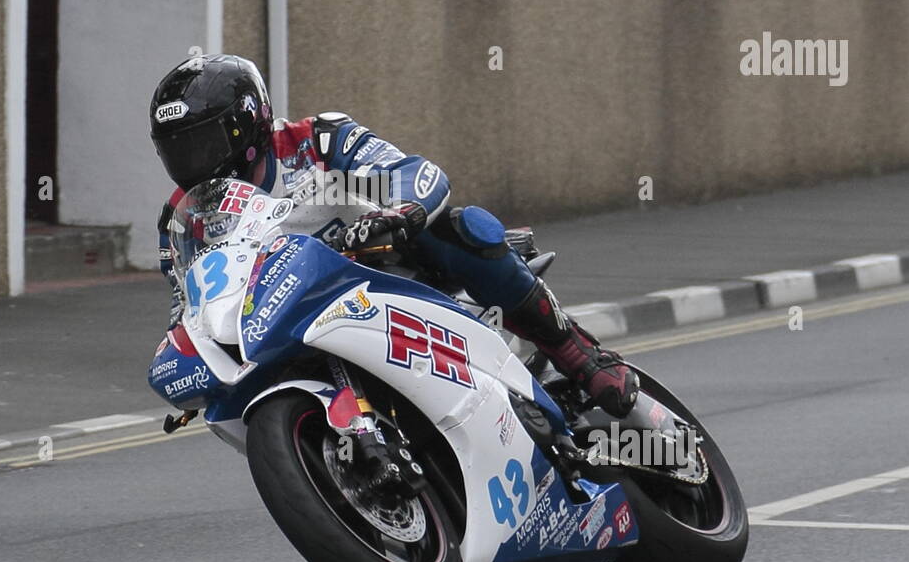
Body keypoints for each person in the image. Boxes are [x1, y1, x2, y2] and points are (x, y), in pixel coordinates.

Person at [149, 54, 638, 418]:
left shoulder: (315, 140)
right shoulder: (181, 217)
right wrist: (195, 355)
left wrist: (400, 212)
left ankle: (575, 351)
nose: (196, 164)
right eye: (180, 152)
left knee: (462, 226)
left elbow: (408, 171)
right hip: (287, 312)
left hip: (382, 266)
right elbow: (189, 302)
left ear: (247, 124)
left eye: (205, 144)